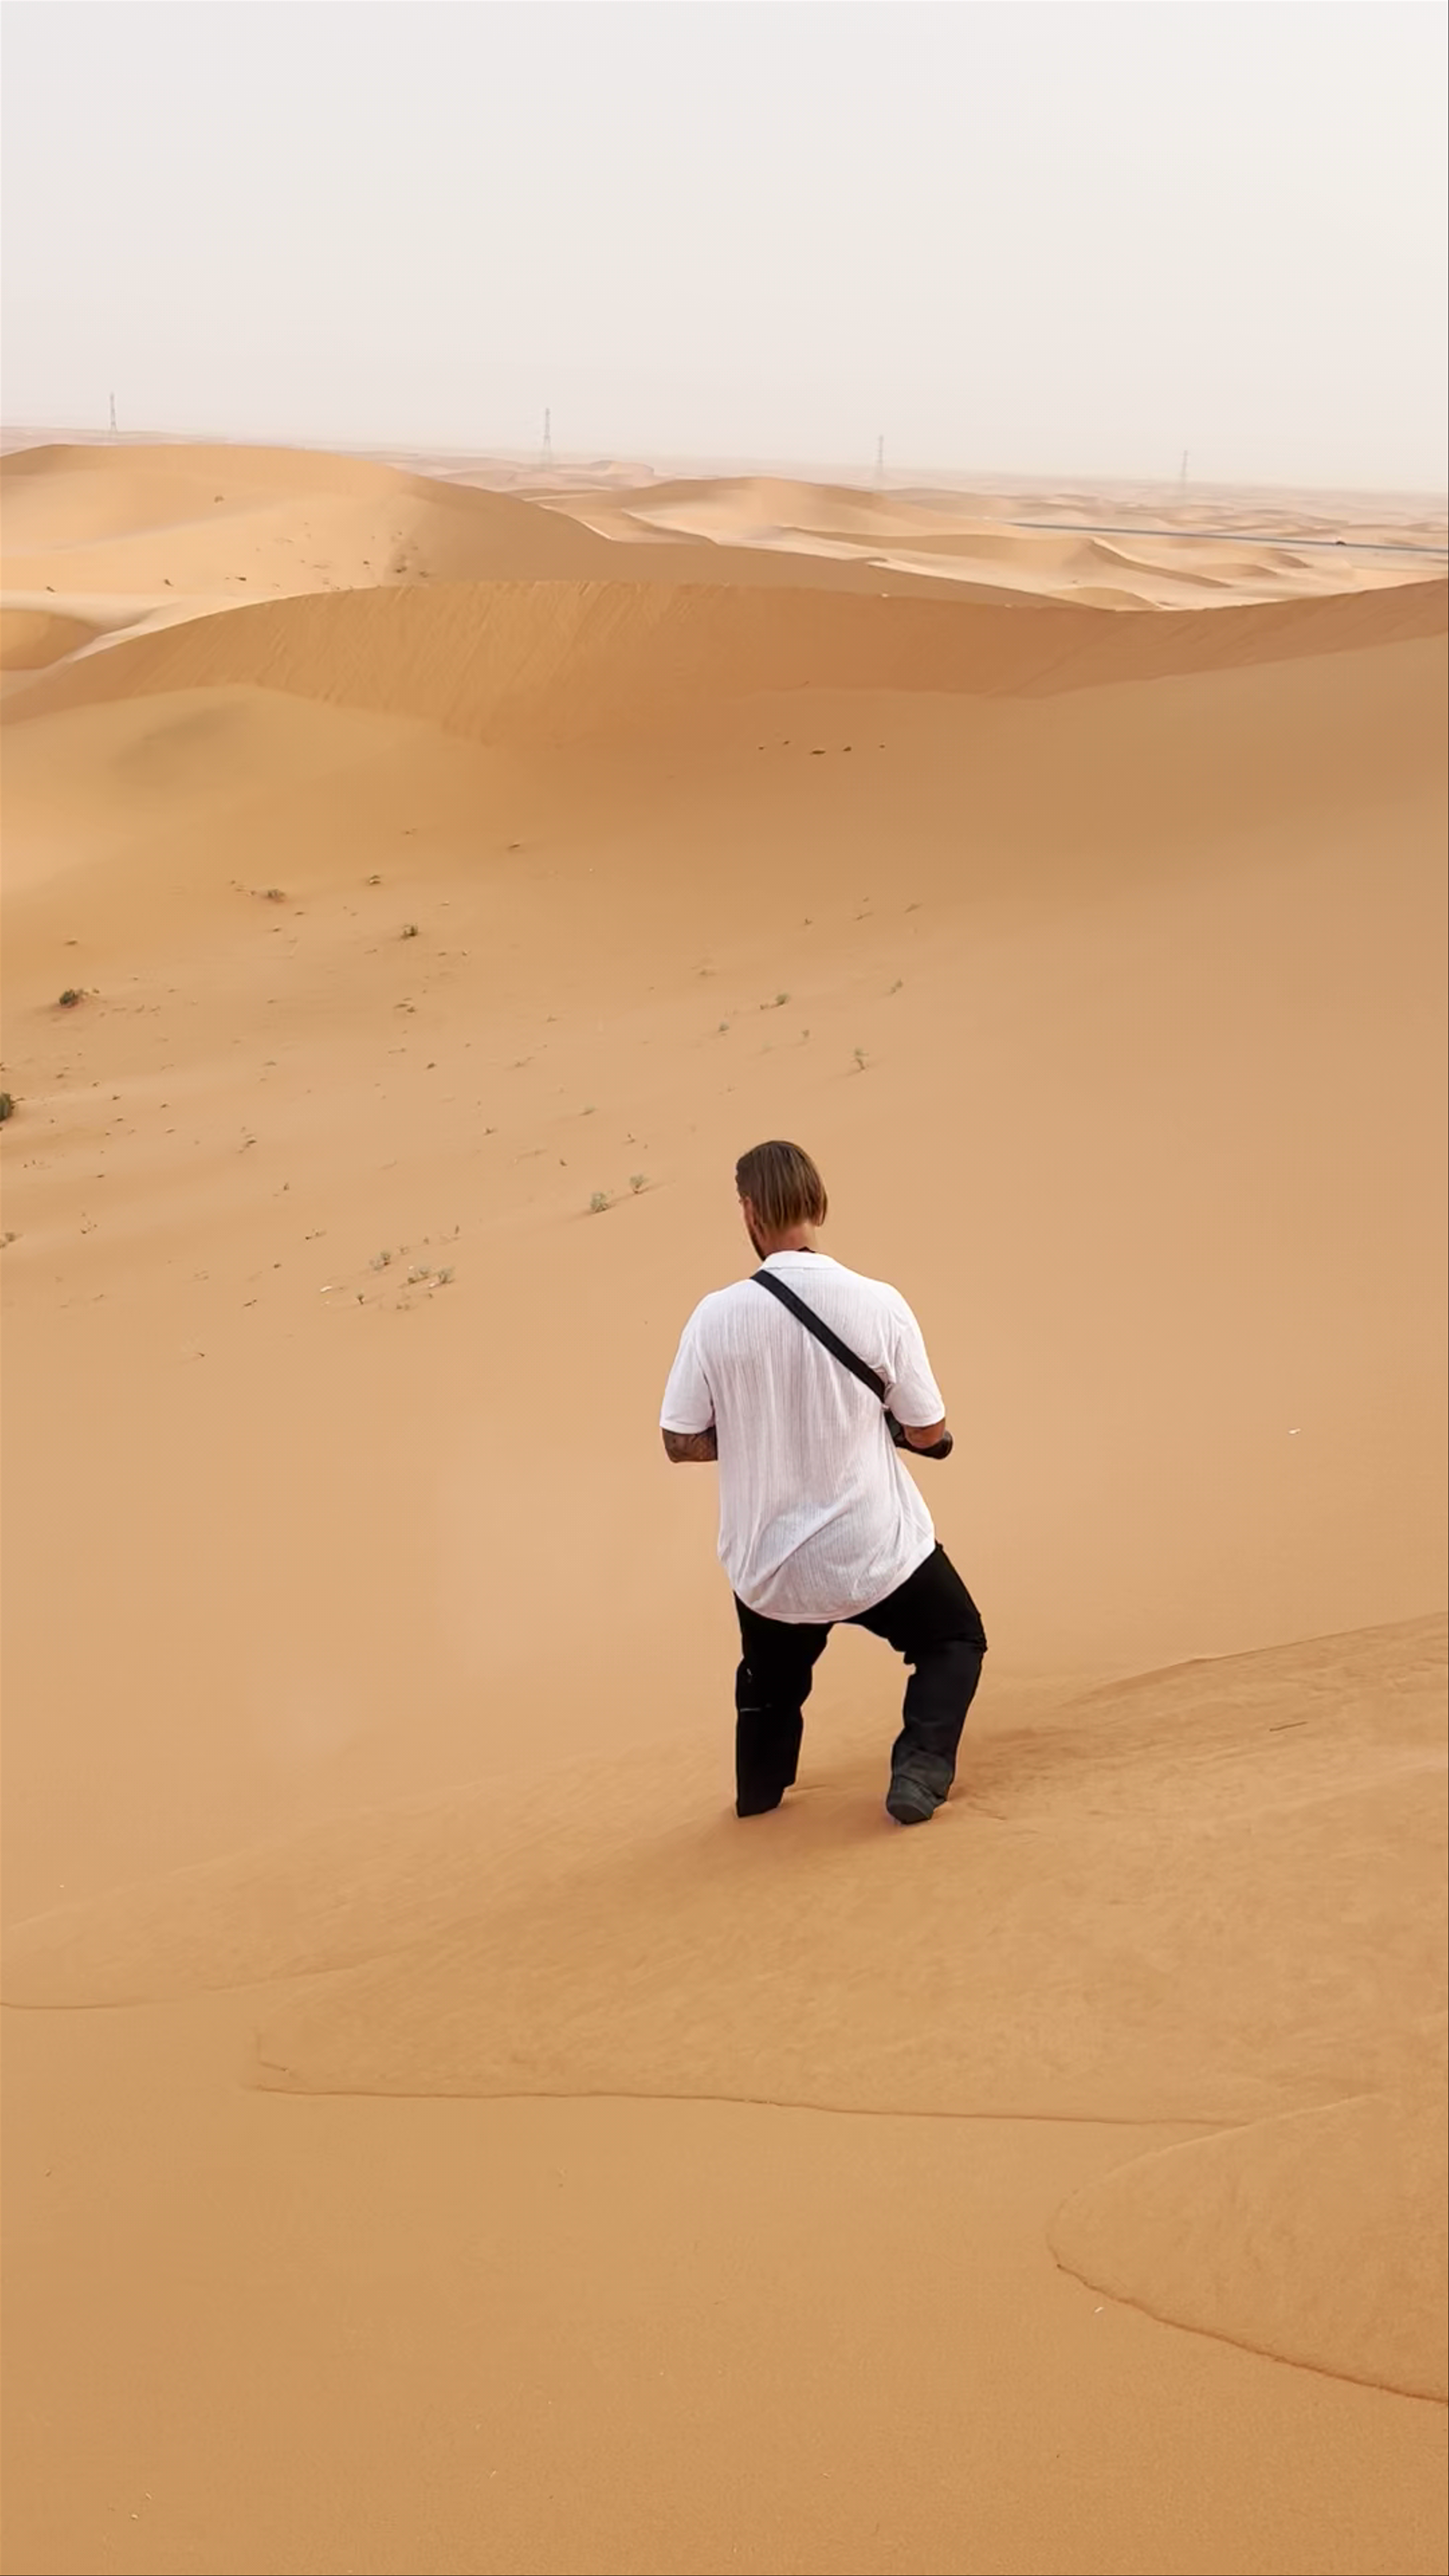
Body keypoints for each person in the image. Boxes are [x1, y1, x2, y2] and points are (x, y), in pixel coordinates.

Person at [660, 1139, 986, 1825]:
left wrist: (754, 1438)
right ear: (818, 1204)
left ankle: (760, 1802)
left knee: (769, 1690)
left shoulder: (714, 1317)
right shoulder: (878, 1303)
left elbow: (679, 1440)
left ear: (749, 1212)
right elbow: (927, 1430)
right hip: (875, 1551)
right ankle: (921, 1770)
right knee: (953, 1639)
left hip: (772, 1566)